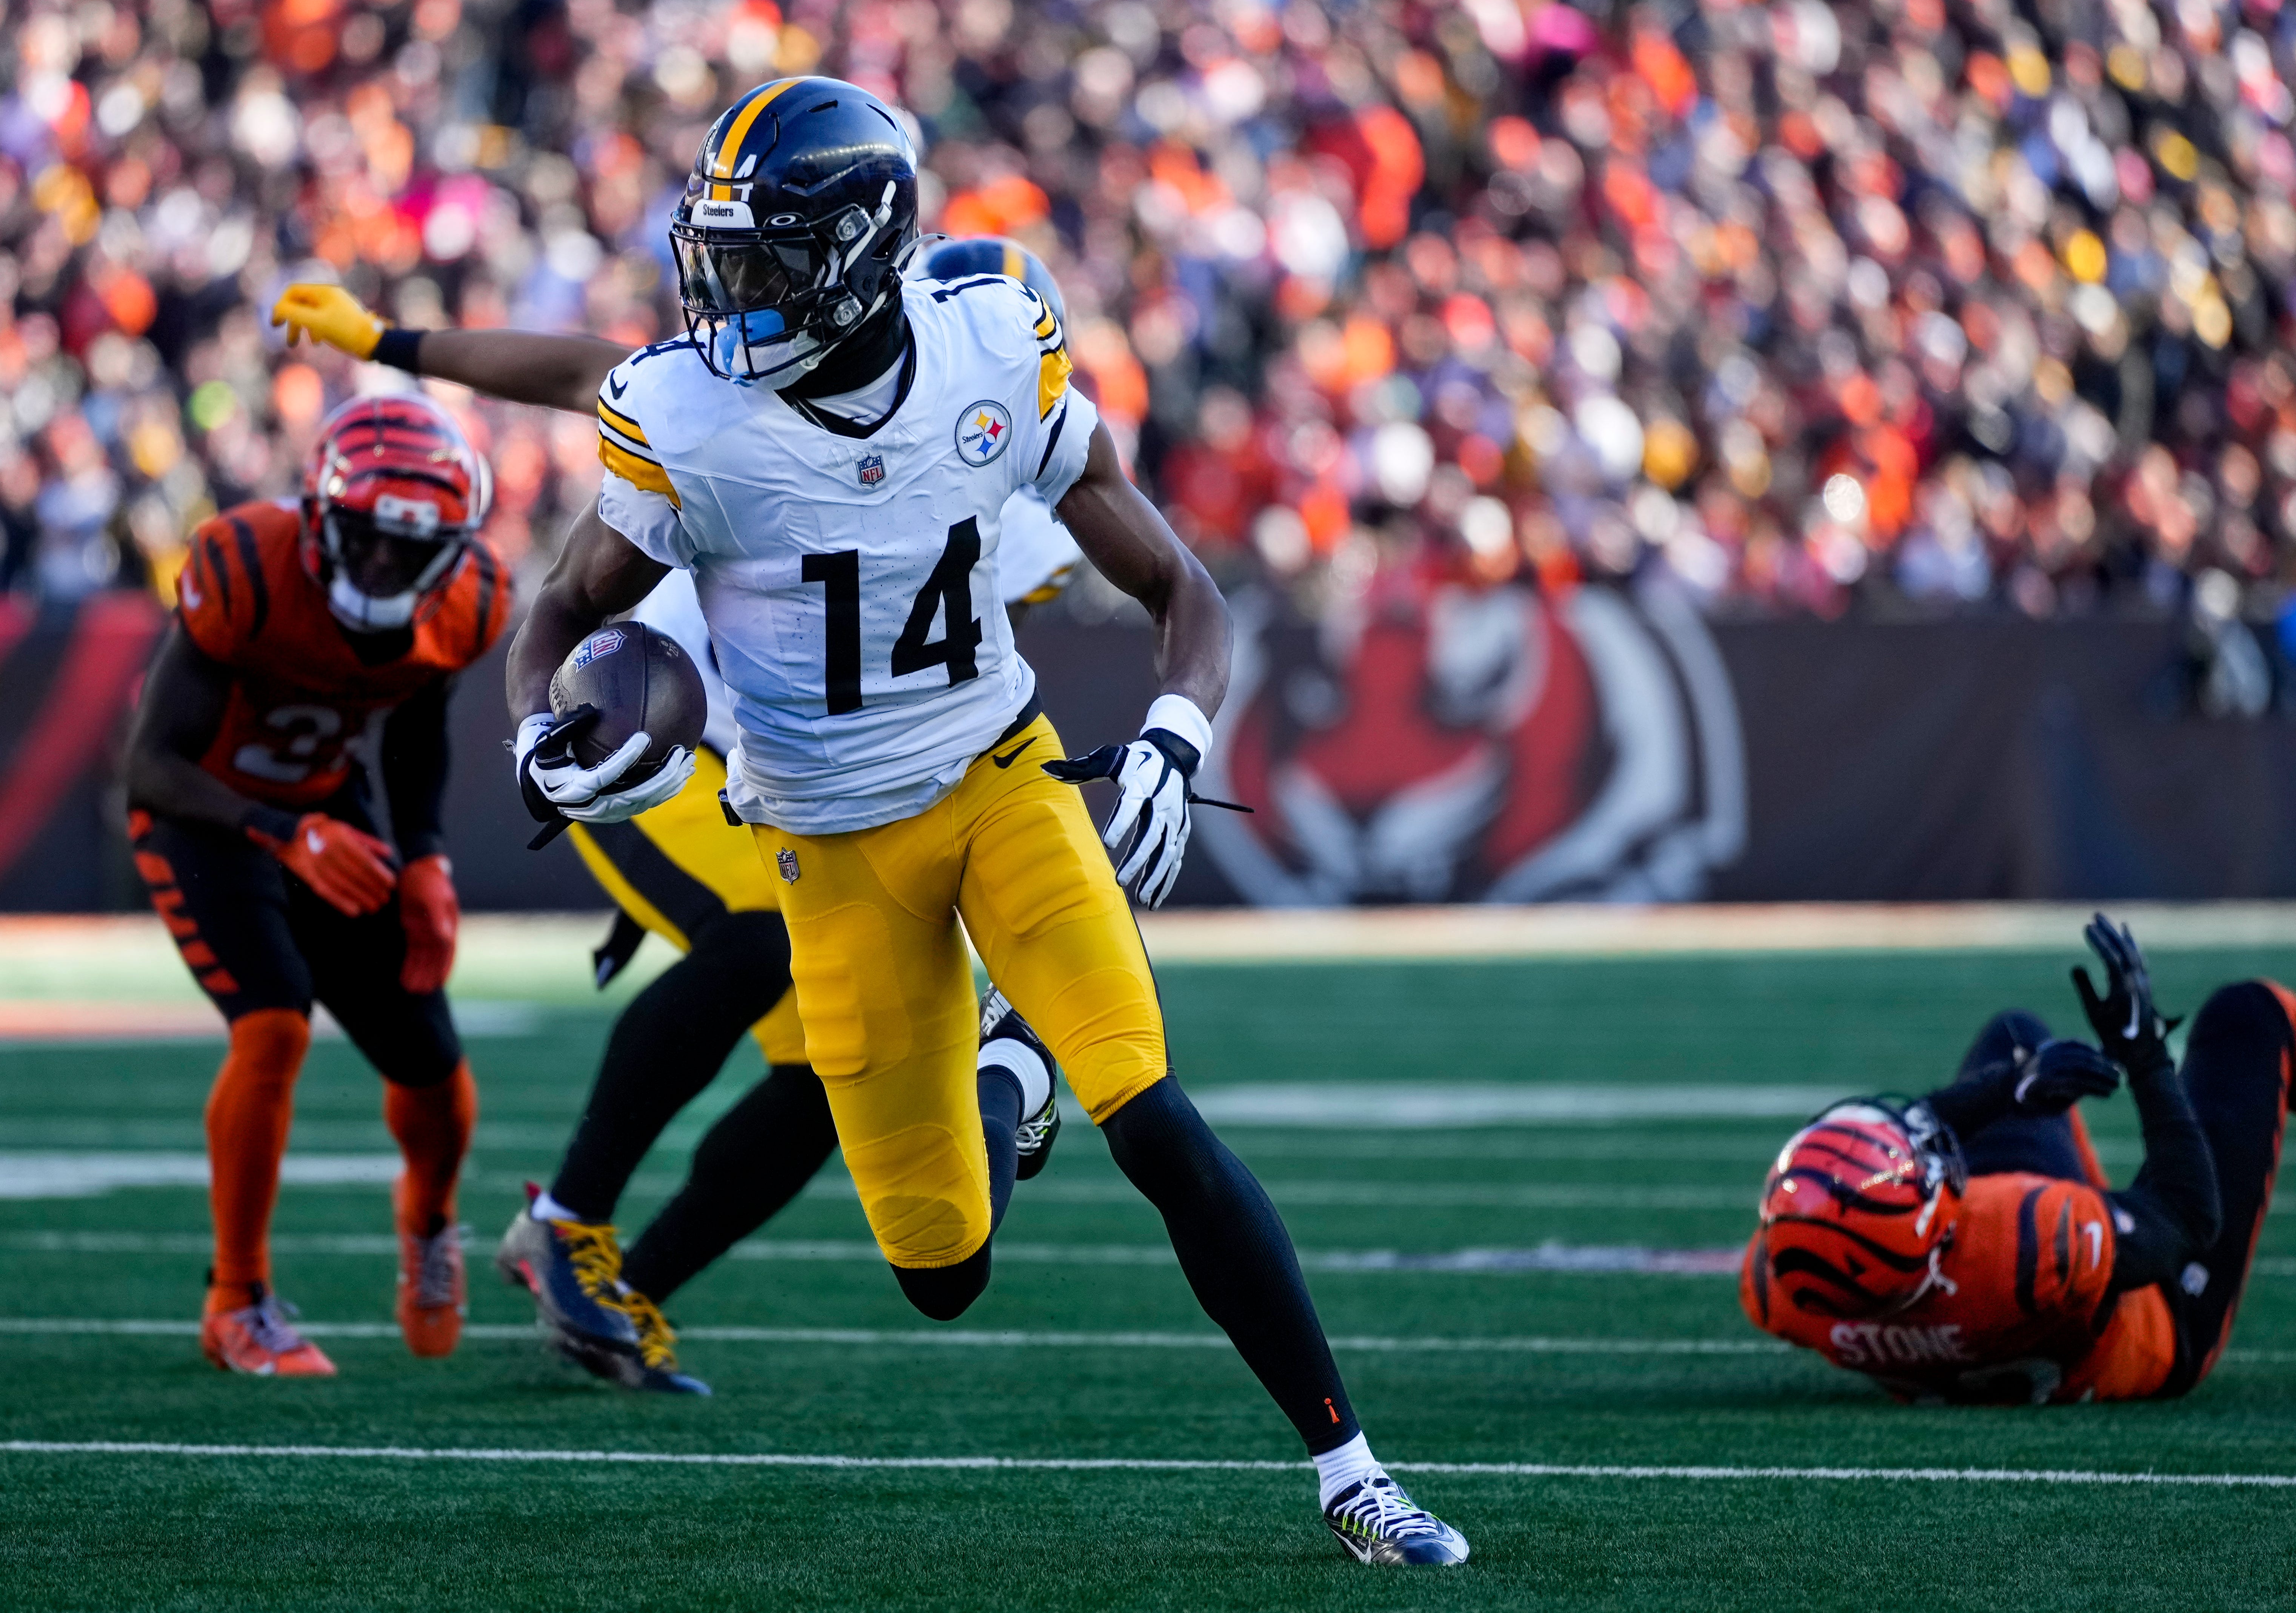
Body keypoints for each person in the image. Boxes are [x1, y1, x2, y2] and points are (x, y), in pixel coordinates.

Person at [288, 78, 1464, 1565]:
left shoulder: (990, 342)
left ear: (855, 250)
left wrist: (1173, 729)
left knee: (1150, 1111)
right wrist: (535, 736)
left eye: (763, 258)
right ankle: (1003, 1078)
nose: (728, 291)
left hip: (999, 782)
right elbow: (560, 612)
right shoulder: (687, 412)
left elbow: (1179, 583)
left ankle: (1352, 1471)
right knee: (941, 1268)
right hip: (826, 850)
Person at [277, 243, 1087, 1398]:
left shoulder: (1005, 469)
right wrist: (383, 345)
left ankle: (627, 1290)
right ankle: (567, 1219)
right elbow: (573, 368)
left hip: (790, 791)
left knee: (832, 1063)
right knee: (755, 931)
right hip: (652, 735)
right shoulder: (735, 398)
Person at [121, 392, 509, 1377]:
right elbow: (153, 762)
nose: (381, 564)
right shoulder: (245, 566)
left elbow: (417, 723)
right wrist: (281, 833)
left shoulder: (467, 601)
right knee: (274, 1026)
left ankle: (427, 1222)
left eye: (404, 546)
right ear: (319, 514)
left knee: (432, 1065)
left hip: (329, 812)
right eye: (364, 538)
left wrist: (423, 855)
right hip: (207, 813)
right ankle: (235, 1299)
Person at [1742, 914, 2296, 1404]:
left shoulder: (1790, 1289)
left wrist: (2006, 1089)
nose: (1923, 1140)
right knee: (2248, 1017)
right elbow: (2189, 1216)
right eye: (1917, 1163)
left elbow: (1868, 1210)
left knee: (2015, 1041)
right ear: (1934, 1234)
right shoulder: (2026, 1241)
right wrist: (2143, 1056)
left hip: (1997, 1321)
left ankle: (2016, 1080)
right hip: (2149, 1315)